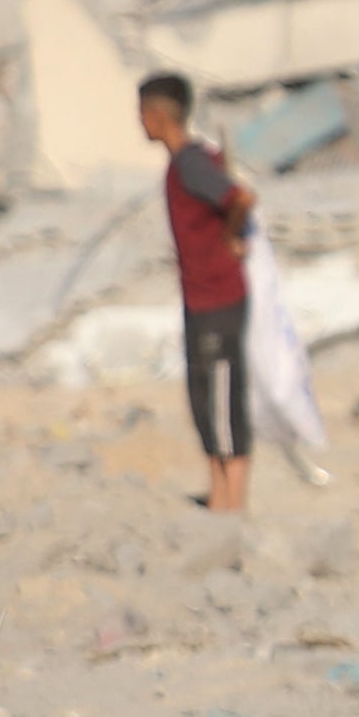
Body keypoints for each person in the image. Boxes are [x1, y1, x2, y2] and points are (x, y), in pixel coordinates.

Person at [138, 74, 253, 515]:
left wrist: (230, 236)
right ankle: (218, 491)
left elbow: (240, 198)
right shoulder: (187, 162)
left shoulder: (192, 163)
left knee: (223, 397)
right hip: (198, 298)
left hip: (219, 296)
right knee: (203, 397)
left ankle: (232, 500)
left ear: (156, 115)